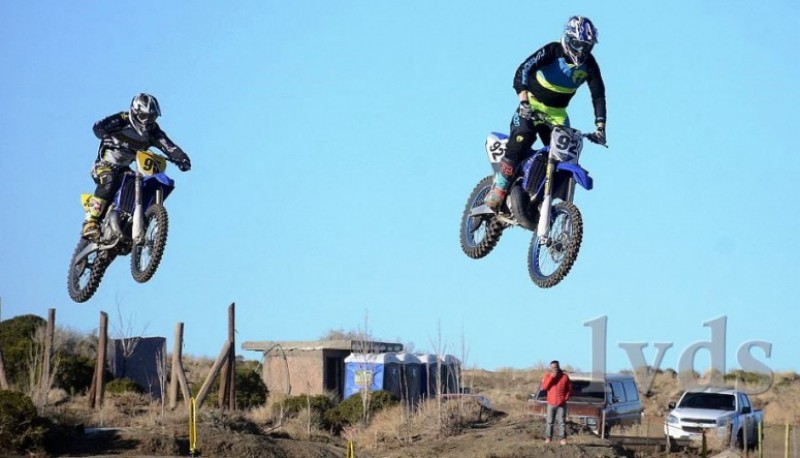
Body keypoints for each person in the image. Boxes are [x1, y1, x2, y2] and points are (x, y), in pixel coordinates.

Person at [485, 15, 607, 211]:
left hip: (558, 114)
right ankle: (500, 187)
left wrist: (600, 126)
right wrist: (524, 101)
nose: (582, 50)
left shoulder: (589, 64)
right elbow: (523, 69)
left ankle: (540, 196)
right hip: (532, 104)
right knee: (523, 135)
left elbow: (598, 93)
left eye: (586, 46)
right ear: (568, 39)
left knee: (565, 156)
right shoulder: (552, 50)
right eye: (577, 44)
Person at [81, 93, 192, 238]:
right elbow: (98, 127)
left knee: (137, 184)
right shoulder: (121, 119)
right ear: (135, 113)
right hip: (104, 165)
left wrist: (182, 159)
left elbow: (169, 146)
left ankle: (128, 220)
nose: (147, 121)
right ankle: (91, 222)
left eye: (151, 117)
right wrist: (107, 136)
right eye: (144, 116)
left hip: (125, 169)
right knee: (108, 180)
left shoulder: (153, 131)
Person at [541, 360, 573, 445]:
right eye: (552, 367)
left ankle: (563, 439)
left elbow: (569, 389)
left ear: (558, 367)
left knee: (562, 422)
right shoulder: (547, 376)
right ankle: (548, 438)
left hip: (561, 403)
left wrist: (565, 398)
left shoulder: (564, 377)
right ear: (550, 368)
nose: (554, 369)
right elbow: (544, 387)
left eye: (556, 367)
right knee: (549, 422)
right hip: (551, 403)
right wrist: (552, 377)